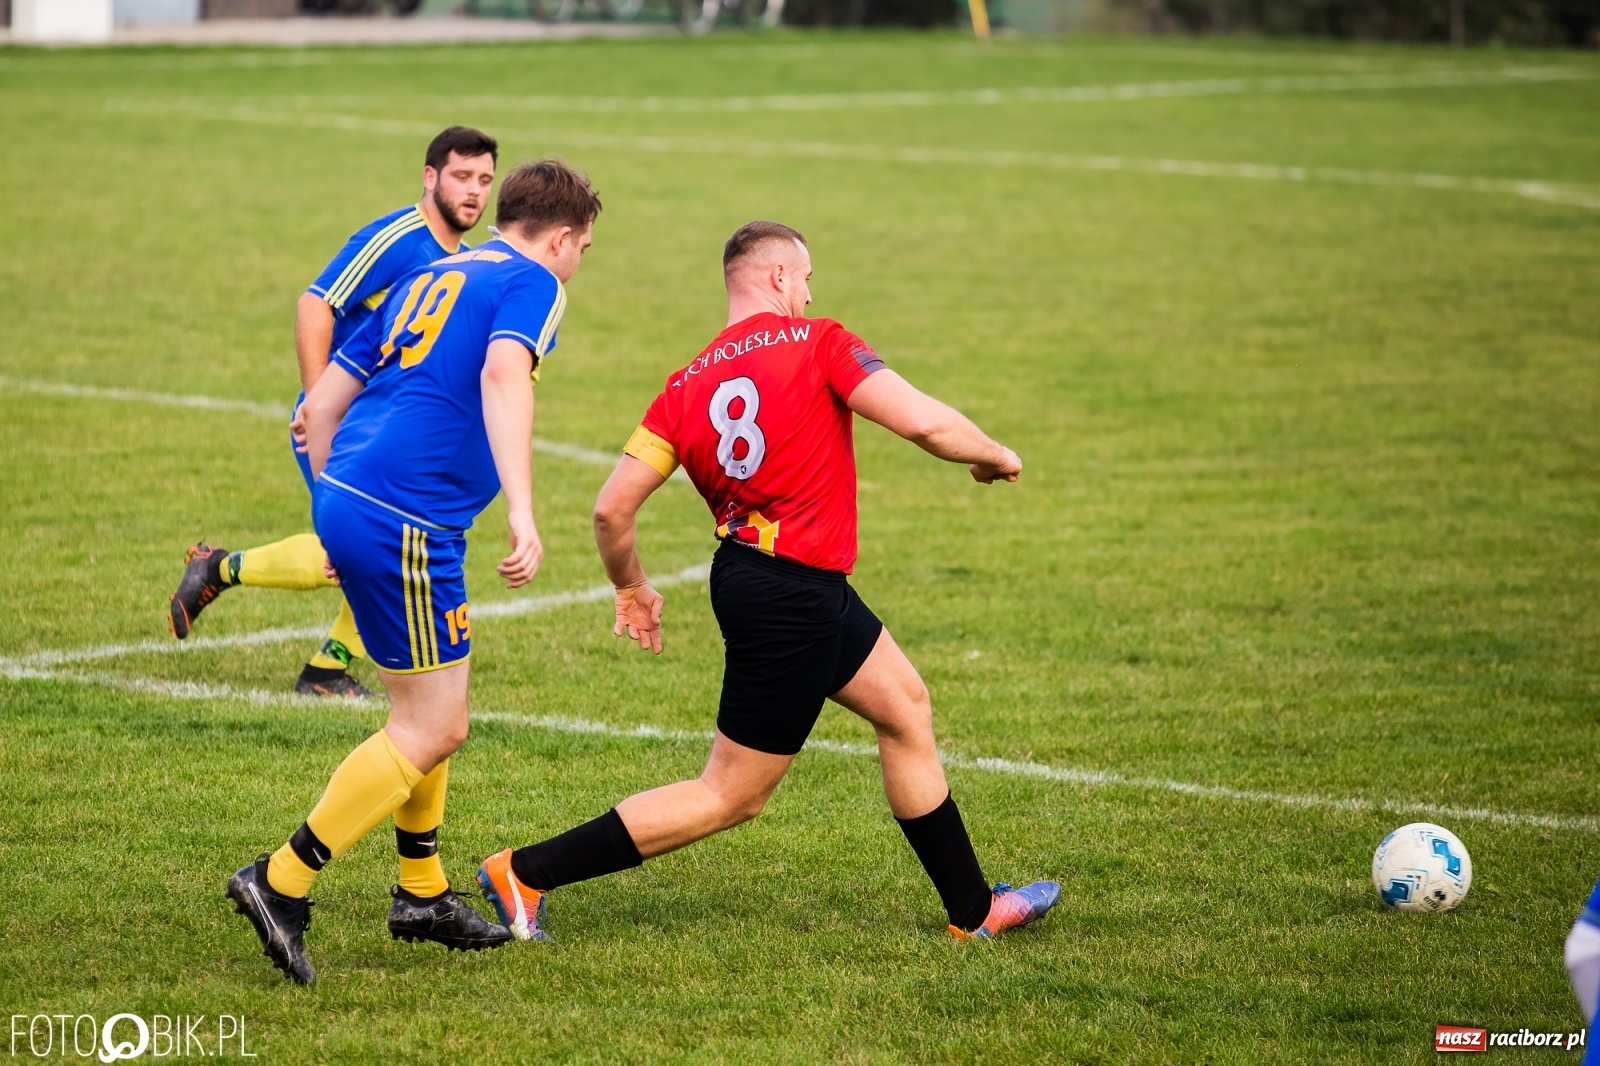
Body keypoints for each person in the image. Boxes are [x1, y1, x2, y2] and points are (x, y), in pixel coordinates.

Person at [476, 220, 1058, 943]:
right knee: (730, 794)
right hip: (792, 595)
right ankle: (525, 872)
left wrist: (630, 586)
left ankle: (975, 911)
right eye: (805, 277)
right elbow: (925, 426)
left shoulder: (684, 385)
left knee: (906, 707)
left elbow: (610, 509)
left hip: (772, 581)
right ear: (778, 277)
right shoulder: (821, 343)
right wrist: (992, 454)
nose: (811, 293)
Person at [226, 159, 601, 984]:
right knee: (435, 725)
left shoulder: (432, 271)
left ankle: (421, 891)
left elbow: (317, 405)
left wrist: (331, 505)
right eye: (582, 249)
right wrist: (524, 511)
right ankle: (280, 882)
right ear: (565, 239)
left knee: (437, 700)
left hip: (359, 494)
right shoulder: (536, 281)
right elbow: (506, 376)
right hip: (408, 518)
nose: (577, 263)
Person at [168, 126, 498, 699]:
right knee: (353, 550)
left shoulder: (465, 261)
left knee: (380, 551)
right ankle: (218, 569)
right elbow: (314, 302)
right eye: (462, 177)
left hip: (383, 428)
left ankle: (325, 670)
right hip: (338, 422)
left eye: (485, 181)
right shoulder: (399, 237)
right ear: (430, 177)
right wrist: (317, 397)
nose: (474, 191)